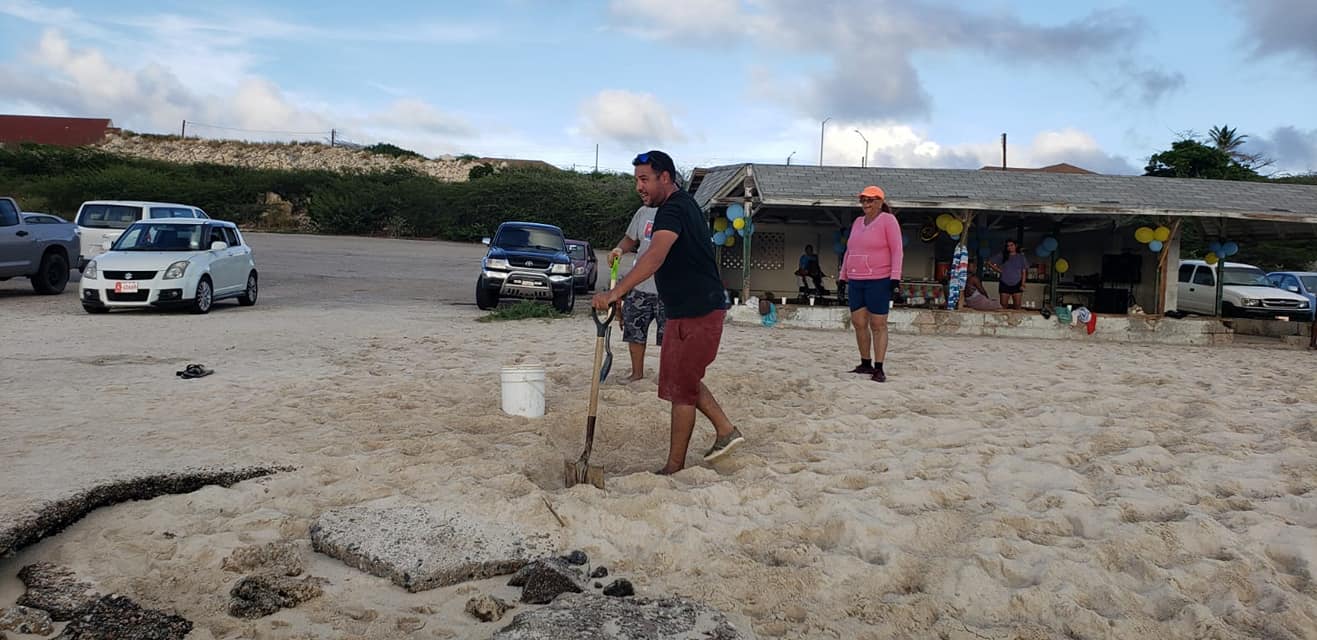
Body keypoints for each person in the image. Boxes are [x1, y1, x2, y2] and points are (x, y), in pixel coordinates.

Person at [593, 150, 743, 474]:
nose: (639, 187)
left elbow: (655, 255)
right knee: (680, 380)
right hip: (683, 310)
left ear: (665, 177)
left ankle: (674, 467)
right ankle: (725, 430)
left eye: (645, 179)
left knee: (682, 389)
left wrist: (616, 291)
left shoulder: (673, 209)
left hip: (699, 311)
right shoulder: (676, 207)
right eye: (636, 180)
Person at [842, 186, 903, 383]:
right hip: (856, 279)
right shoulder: (858, 222)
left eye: (870, 200)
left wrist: (895, 277)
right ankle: (865, 362)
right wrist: (843, 275)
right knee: (859, 322)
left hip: (879, 278)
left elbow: (897, 250)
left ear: (879, 201)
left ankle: (879, 367)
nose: (866, 204)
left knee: (878, 324)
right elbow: (849, 250)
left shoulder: (888, 220)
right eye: (863, 200)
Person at [607, 205, 666, 383]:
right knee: (634, 330)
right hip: (640, 284)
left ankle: (667, 376)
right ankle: (636, 373)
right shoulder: (643, 212)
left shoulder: (678, 211)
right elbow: (630, 239)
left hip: (668, 288)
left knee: (670, 337)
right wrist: (619, 249)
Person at [987, 239, 1028, 309]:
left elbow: (1024, 271)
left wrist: (1023, 284)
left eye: (1011, 245)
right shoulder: (1002, 255)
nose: (1009, 247)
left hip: (1017, 283)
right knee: (1003, 305)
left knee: (1017, 306)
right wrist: (1000, 271)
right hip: (1004, 283)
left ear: (1016, 246)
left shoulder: (1021, 257)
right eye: (1008, 246)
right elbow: (989, 262)